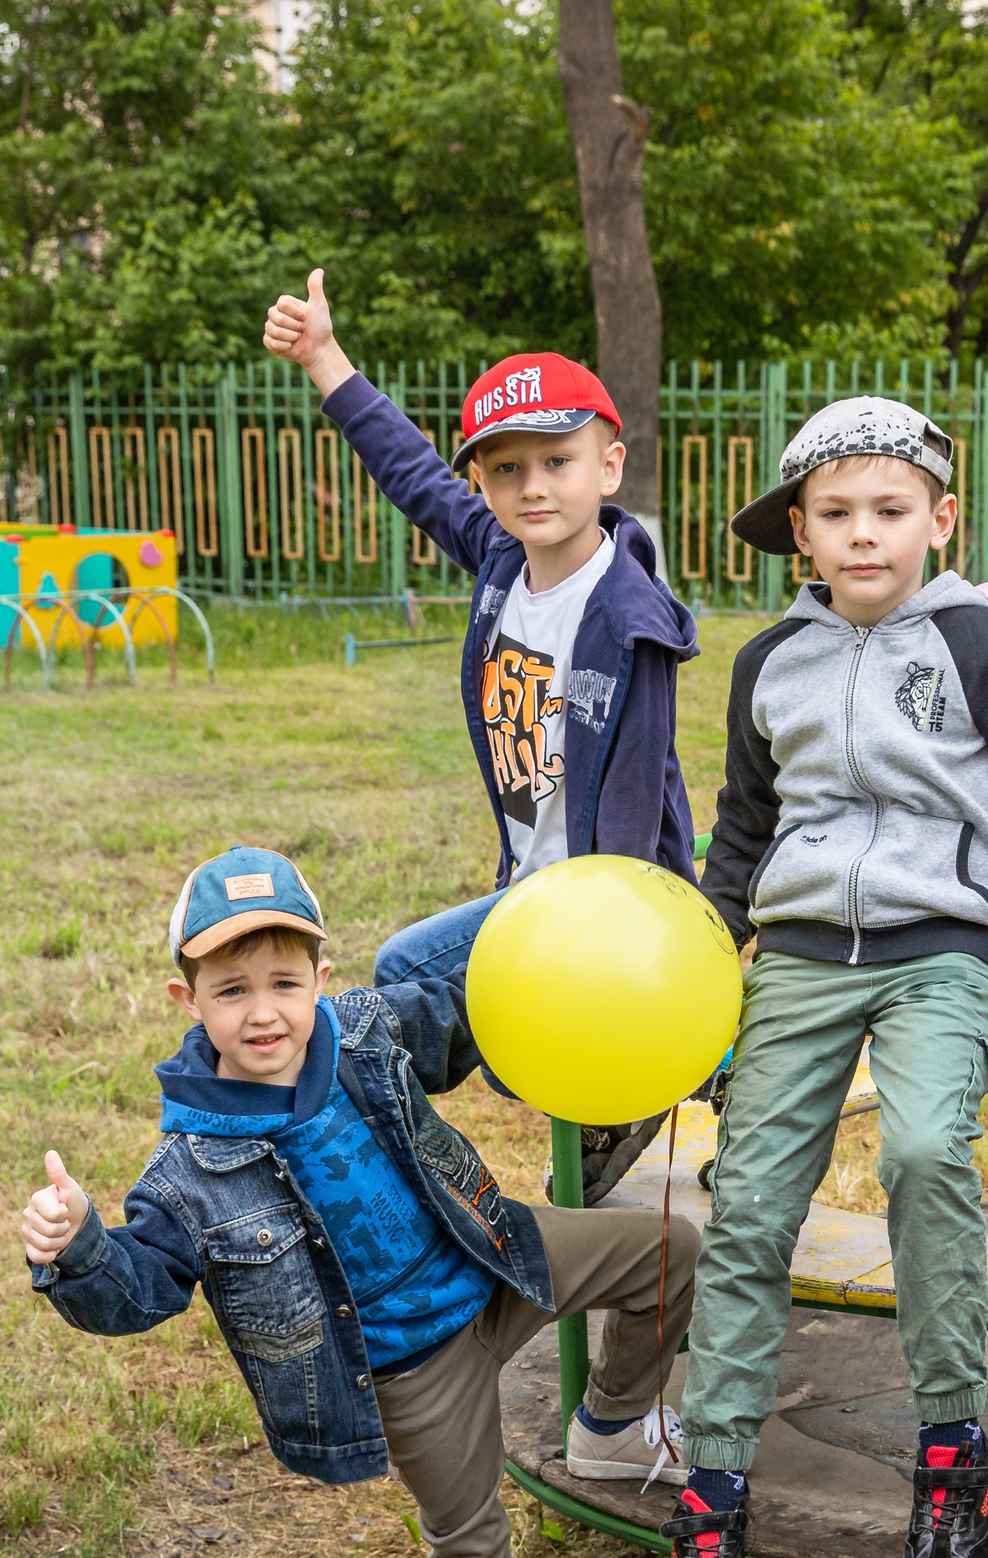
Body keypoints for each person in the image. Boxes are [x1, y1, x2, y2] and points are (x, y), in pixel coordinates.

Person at [16, 847, 701, 1558]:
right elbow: (140, 1289)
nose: (264, 1012)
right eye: (232, 988)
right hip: (415, 1371)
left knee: (673, 1249)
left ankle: (612, 1423)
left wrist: (582, 955)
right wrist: (78, 1248)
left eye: (285, 983)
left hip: (495, 1258)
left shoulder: (368, 1030)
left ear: (321, 980)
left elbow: (481, 1013)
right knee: (471, 1541)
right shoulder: (188, 1173)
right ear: (188, 996)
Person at [655, 398, 988, 1558]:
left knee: (923, 1155)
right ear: (800, 535)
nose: (864, 536)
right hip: (803, 955)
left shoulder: (979, 645)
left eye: (890, 510)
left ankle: (952, 1449)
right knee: (749, 1201)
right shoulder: (771, 664)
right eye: (836, 515)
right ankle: (712, 1492)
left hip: (942, 950)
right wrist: (712, 949)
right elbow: (743, 828)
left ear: (939, 519)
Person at [262, 271, 693, 1201]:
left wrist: (604, 950)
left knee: (451, 1017)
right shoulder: (503, 559)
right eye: (507, 469)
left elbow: (633, 796)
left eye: (556, 461)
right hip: (531, 885)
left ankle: (654, 1074)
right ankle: (415, 1147)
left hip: (602, 902)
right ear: (485, 485)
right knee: (408, 967)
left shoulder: (630, 619)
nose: (532, 486)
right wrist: (323, 357)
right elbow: (409, 472)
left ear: (608, 467)